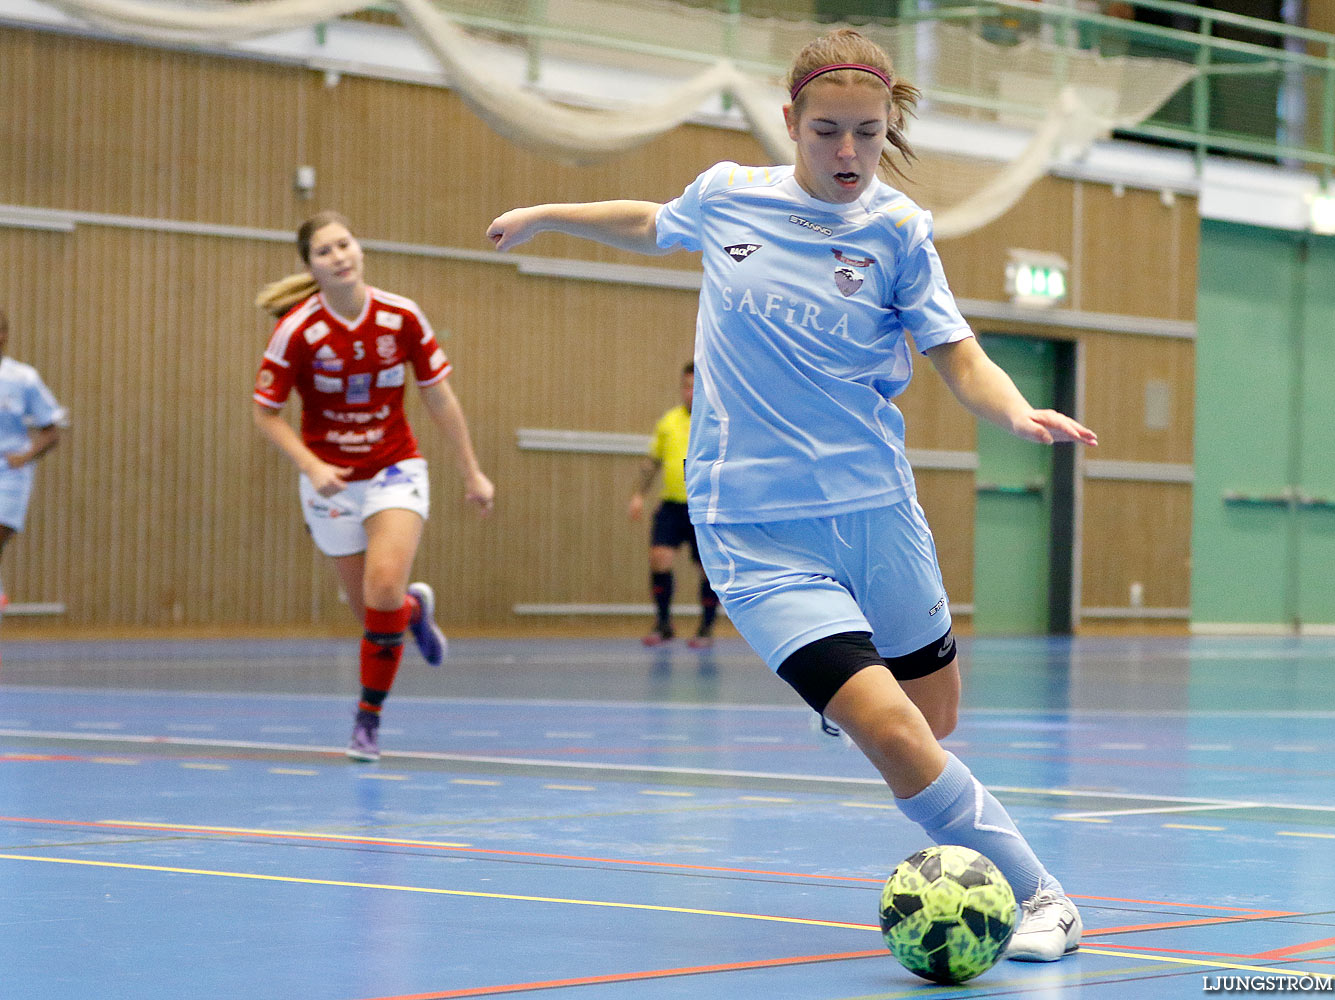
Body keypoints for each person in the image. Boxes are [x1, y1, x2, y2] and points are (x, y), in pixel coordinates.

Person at [488, 29, 1097, 962]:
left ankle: (845, 689)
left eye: (866, 132)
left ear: (887, 125)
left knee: (934, 722)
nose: (847, 153)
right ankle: (1042, 895)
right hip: (752, 528)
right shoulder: (729, 196)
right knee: (891, 729)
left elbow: (957, 352)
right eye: (826, 132)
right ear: (790, 124)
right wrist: (544, 214)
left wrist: (1014, 411)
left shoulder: (898, 232)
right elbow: (650, 221)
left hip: (873, 512)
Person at [253, 212, 494, 763]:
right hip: (332, 482)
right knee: (373, 614)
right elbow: (265, 413)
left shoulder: (401, 316)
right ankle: (413, 612)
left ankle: (367, 720)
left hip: (394, 469)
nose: (339, 256)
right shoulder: (296, 330)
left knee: (380, 588)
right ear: (311, 266)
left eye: (344, 244)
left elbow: (440, 398)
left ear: (358, 249)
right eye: (324, 252)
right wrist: (311, 466)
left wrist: (472, 471)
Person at [627, 361, 719, 648]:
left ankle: (705, 627)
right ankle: (664, 623)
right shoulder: (668, 422)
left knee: (707, 568)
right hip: (672, 505)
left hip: (703, 507)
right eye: (686, 386)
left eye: (696, 387)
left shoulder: (715, 422)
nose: (690, 392)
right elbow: (652, 461)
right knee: (659, 558)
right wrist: (638, 494)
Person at [0, 307, 67, 623]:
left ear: (5, 336)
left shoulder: (23, 379)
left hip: (9, 475)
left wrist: (25, 456)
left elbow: (51, 431)